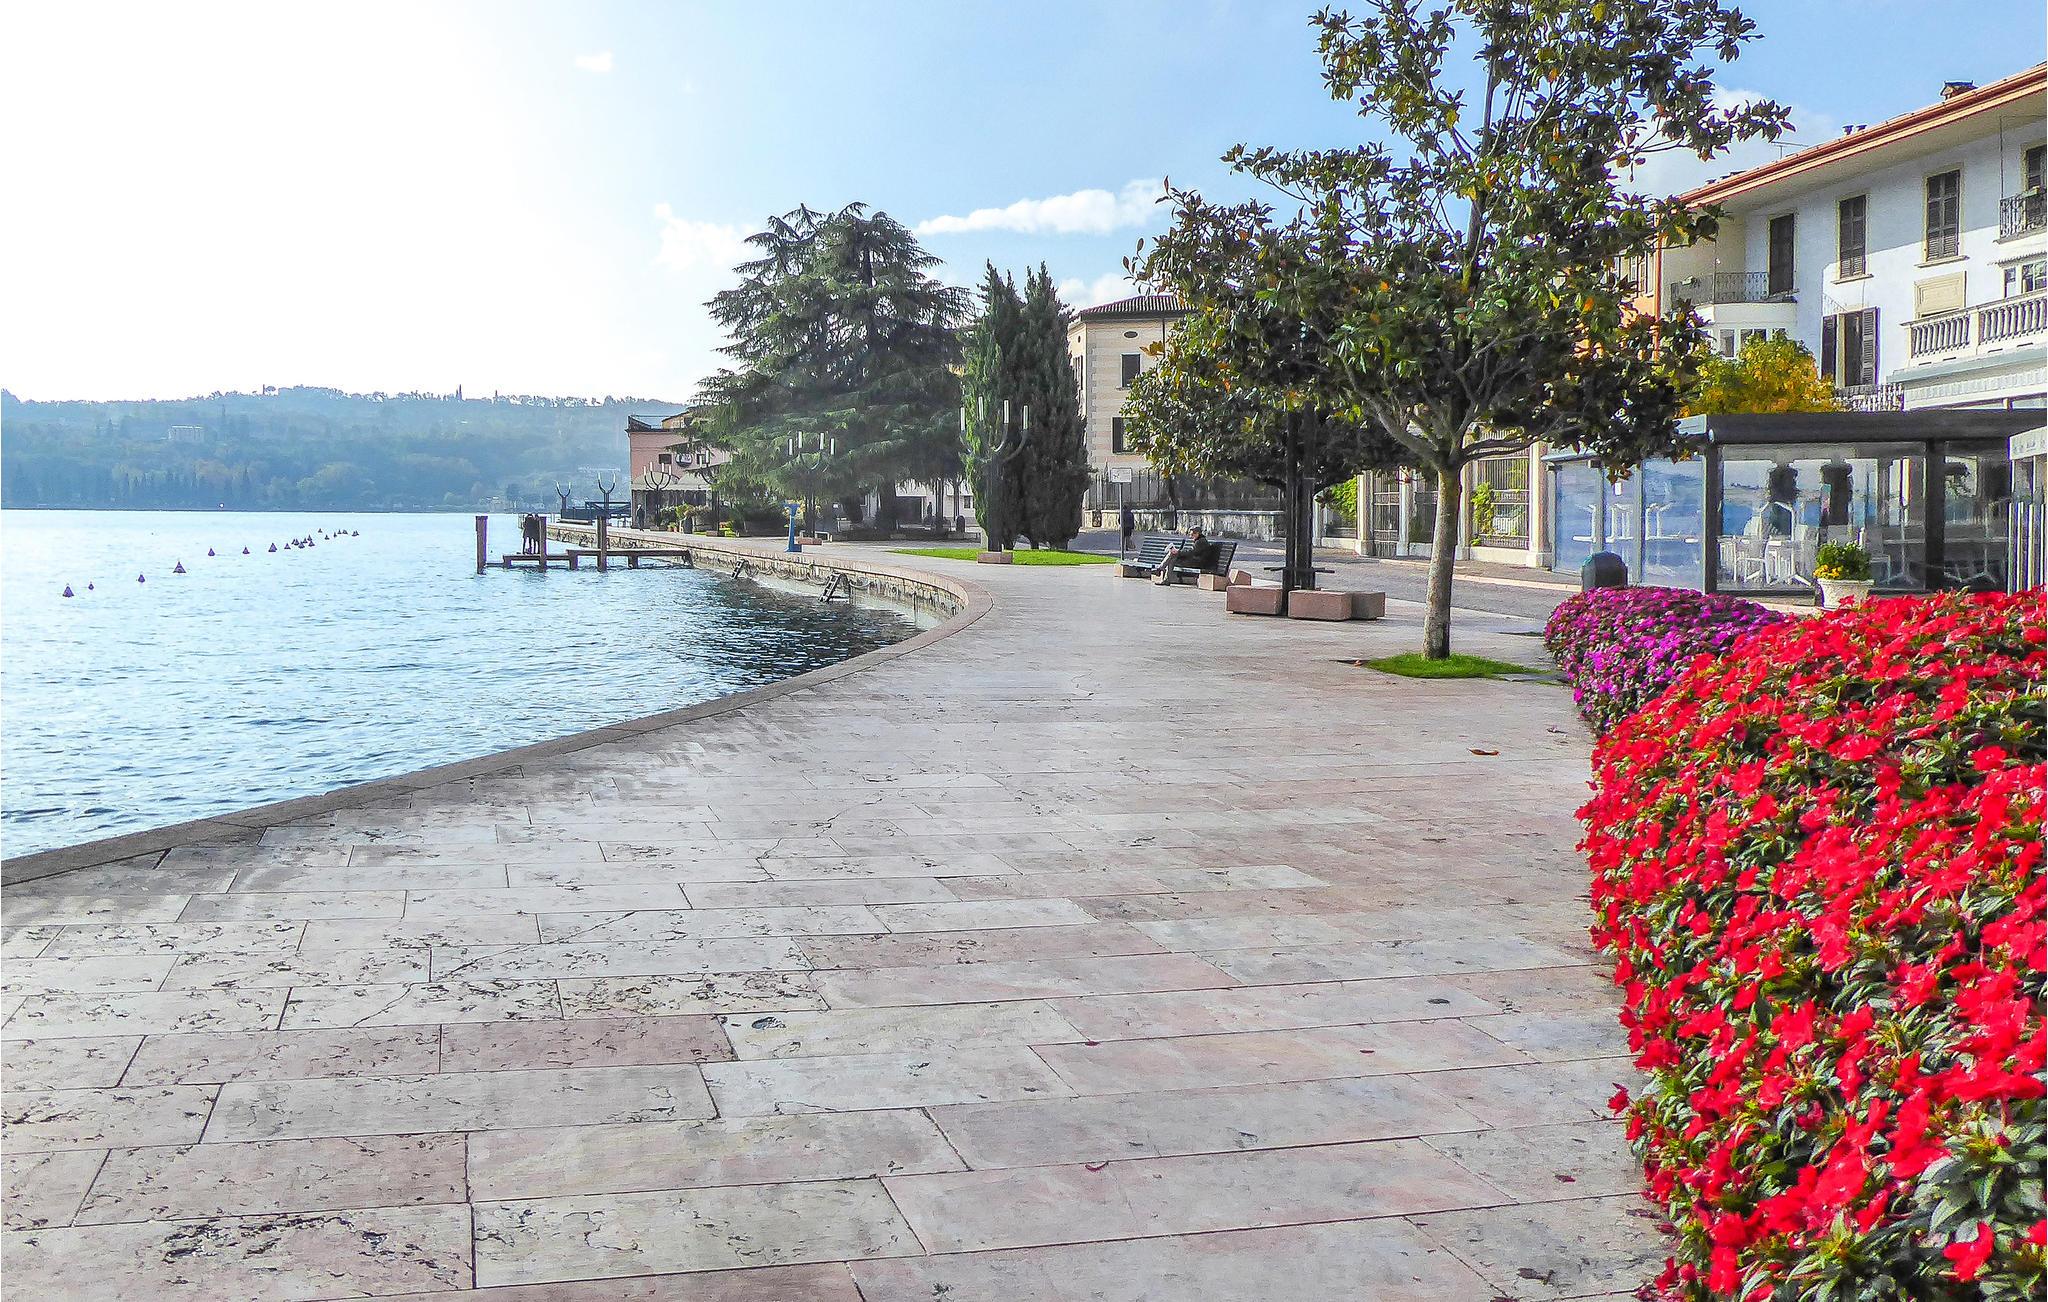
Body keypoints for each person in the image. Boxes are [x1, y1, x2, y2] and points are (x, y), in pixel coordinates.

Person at [1152, 526, 1218, 585]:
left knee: (1173, 556)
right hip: (1194, 560)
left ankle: (1160, 570)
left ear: (1197, 533)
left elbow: (1191, 552)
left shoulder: (1201, 541)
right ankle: (1164, 576)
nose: (1191, 536)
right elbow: (1192, 552)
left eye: (1192, 534)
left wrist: (1178, 552)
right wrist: (1178, 552)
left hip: (1197, 562)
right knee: (1172, 557)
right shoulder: (1199, 540)